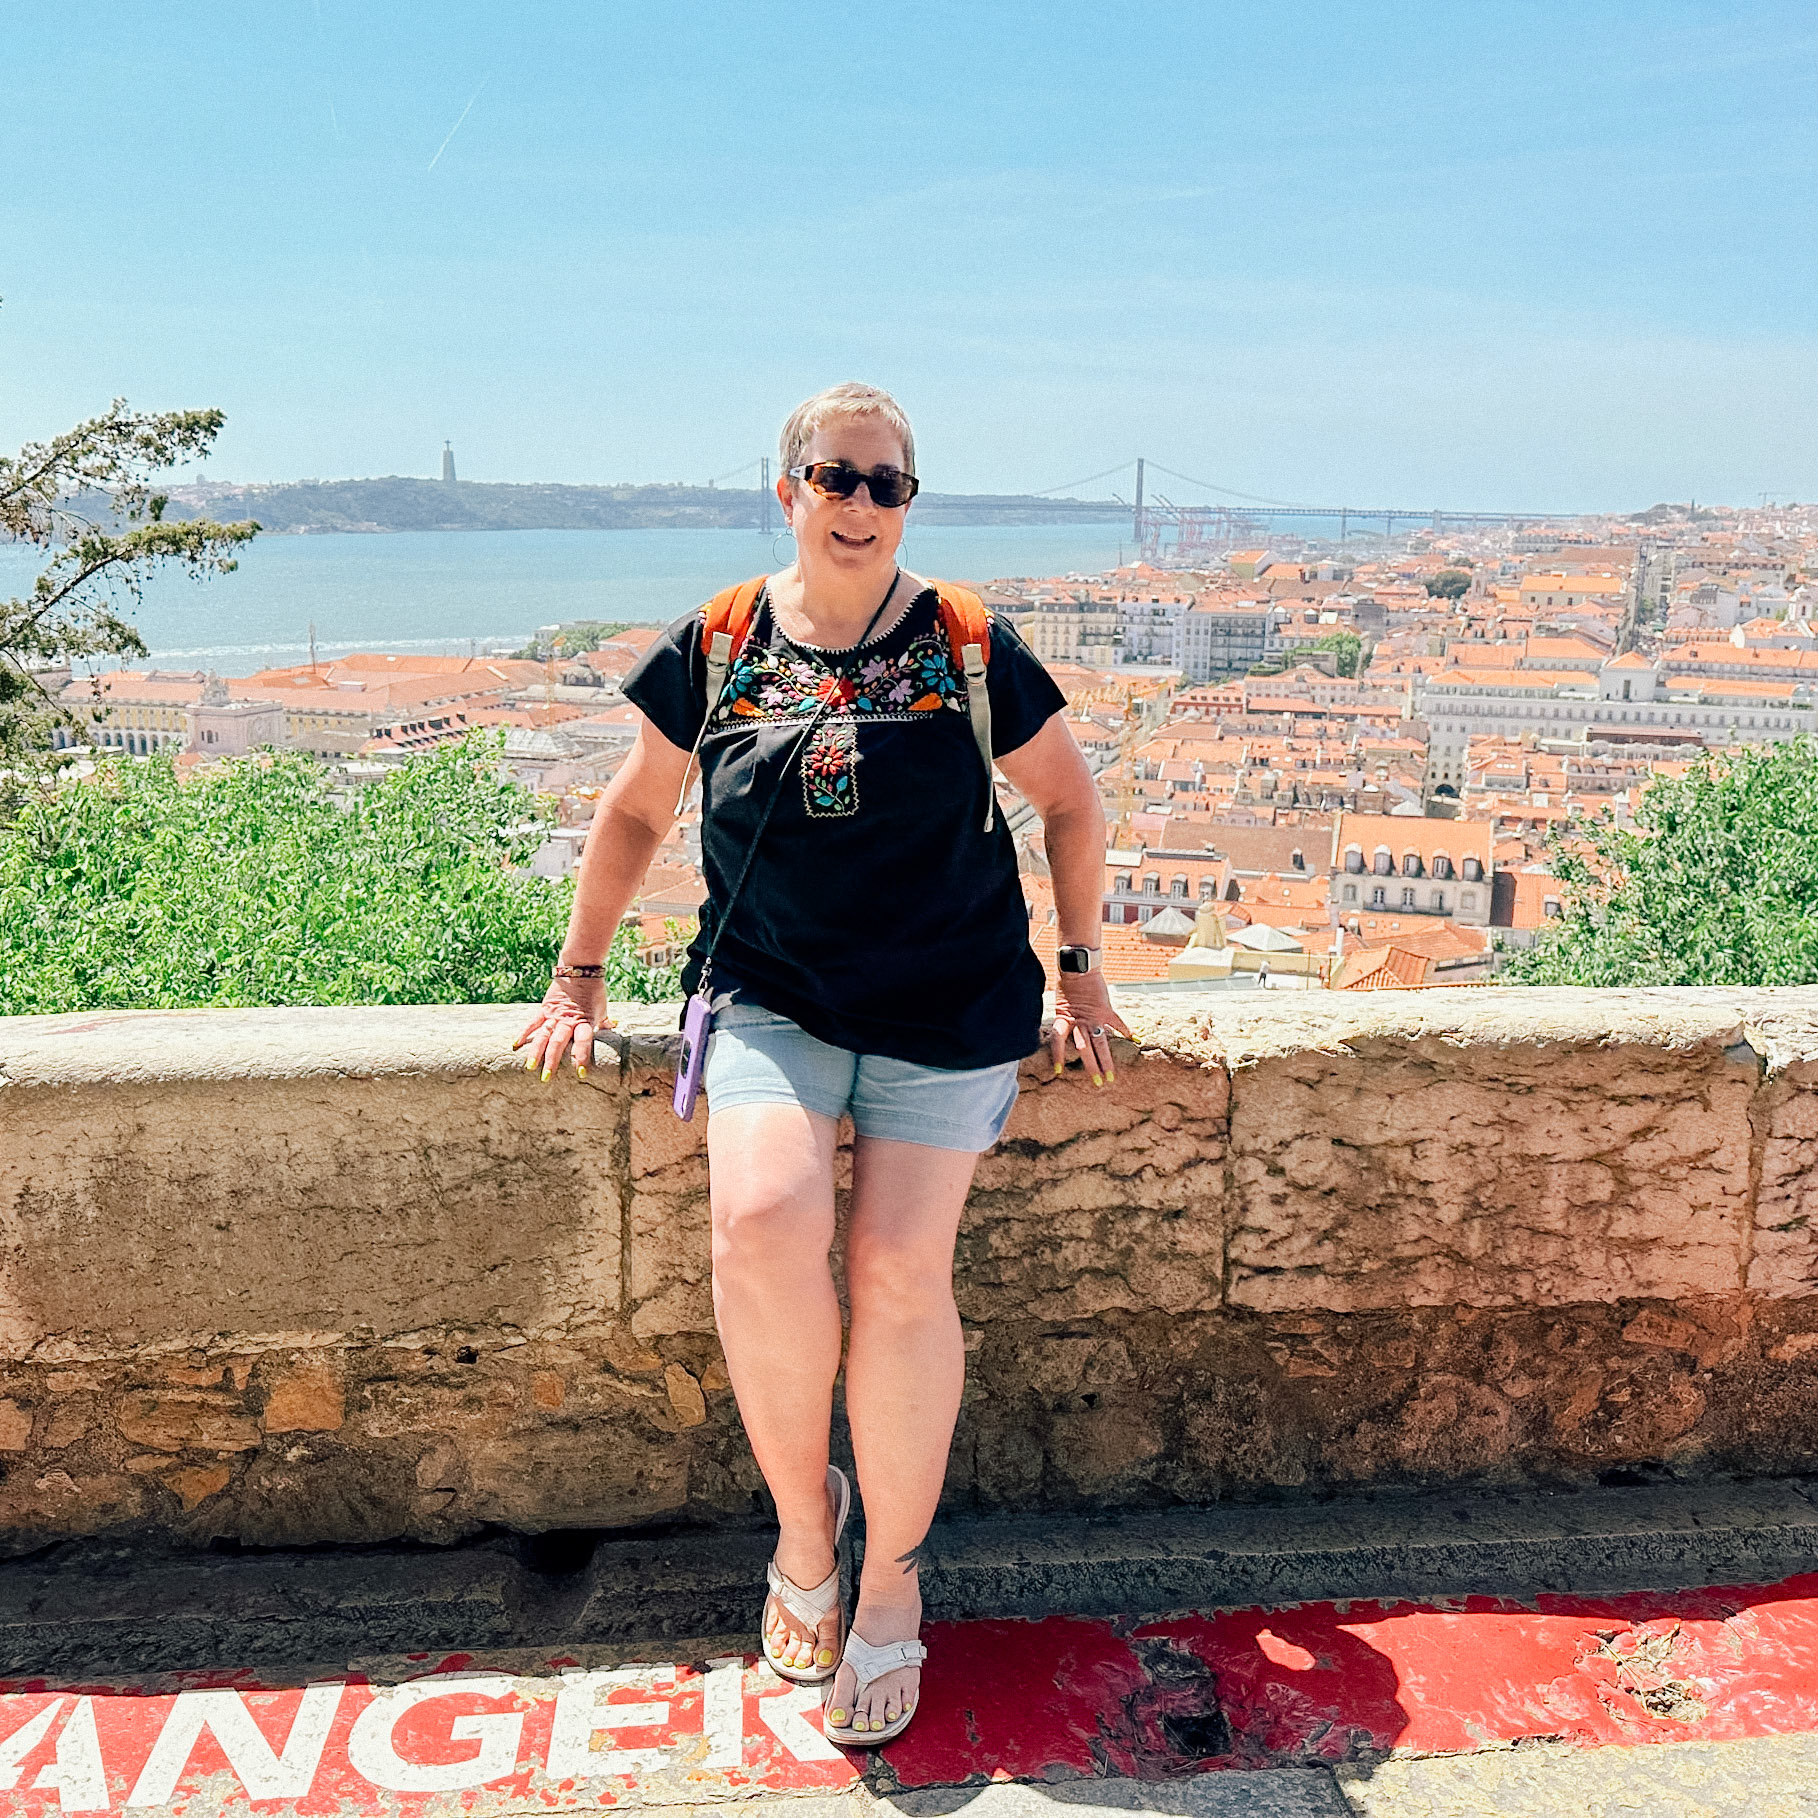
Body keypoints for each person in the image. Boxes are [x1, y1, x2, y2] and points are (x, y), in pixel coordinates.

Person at [515, 382, 1127, 1748]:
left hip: (948, 1002)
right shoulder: (718, 639)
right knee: (758, 1222)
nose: (859, 504)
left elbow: (1072, 803)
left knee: (900, 1270)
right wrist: (577, 973)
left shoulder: (968, 643)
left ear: (908, 503)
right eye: (835, 477)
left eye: (885, 484)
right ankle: (808, 1528)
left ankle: (891, 1578)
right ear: (787, 488)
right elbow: (634, 812)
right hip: (771, 994)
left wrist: (1082, 972)